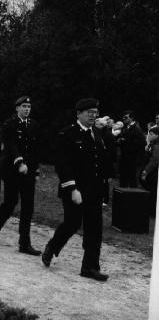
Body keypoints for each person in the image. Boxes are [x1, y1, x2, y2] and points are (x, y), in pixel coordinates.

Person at [42, 98, 111, 281]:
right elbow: (63, 165)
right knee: (72, 223)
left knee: (94, 229)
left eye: (95, 113)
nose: (93, 116)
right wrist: (72, 188)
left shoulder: (96, 134)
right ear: (79, 113)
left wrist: (104, 189)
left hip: (94, 191)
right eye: (89, 112)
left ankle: (90, 267)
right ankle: (52, 247)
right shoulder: (68, 134)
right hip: (75, 190)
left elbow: (100, 163)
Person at [0, 96, 41, 256]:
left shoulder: (33, 125)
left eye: (29, 106)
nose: (27, 109)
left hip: (28, 171)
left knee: (28, 206)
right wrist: (19, 162)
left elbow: (35, 149)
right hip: (12, 170)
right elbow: (10, 145)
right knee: (11, 202)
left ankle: (24, 243)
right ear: (17, 108)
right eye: (24, 106)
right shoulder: (9, 124)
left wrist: (36, 169)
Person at [117, 110, 146, 187]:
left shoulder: (137, 129)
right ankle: (122, 196)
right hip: (124, 157)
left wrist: (126, 142)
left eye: (126, 117)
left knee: (132, 178)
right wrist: (119, 140)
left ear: (132, 118)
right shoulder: (125, 127)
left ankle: (133, 196)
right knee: (123, 178)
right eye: (123, 117)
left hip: (132, 158)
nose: (124, 119)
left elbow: (142, 142)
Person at [141, 126, 159, 210]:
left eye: (151, 134)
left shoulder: (157, 145)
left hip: (153, 173)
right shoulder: (153, 144)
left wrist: (146, 171)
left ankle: (152, 209)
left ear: (157, 135)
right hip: (152, 172)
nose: (149, 136)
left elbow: (154, 160)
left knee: (153, 191)